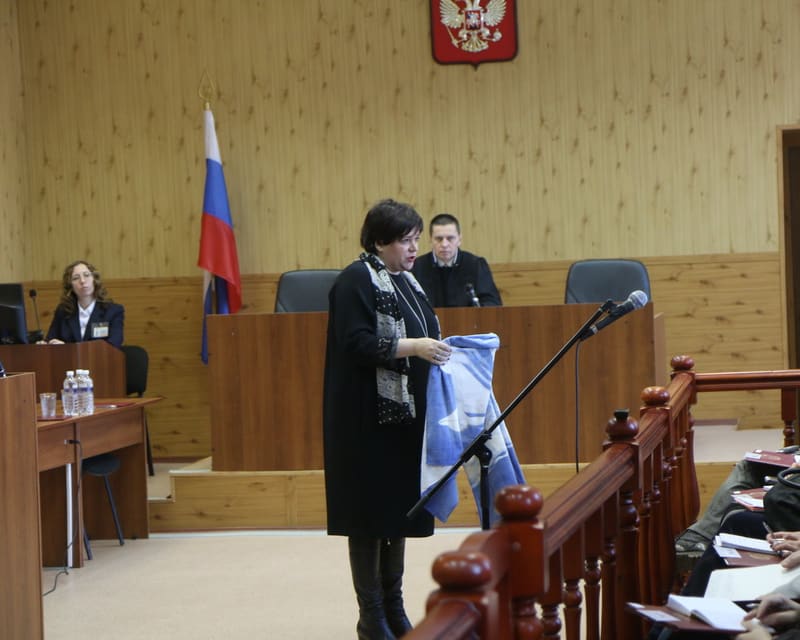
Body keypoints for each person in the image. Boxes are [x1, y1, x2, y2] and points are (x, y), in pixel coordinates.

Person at [323, 198, 452, 639]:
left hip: (403, 420)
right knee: (369, 518)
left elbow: (423, 332)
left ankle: (393, 608)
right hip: (365, 421)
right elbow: (356, 343)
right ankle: (371, 616)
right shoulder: (355, 280)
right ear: (380, 241)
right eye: (405, 240)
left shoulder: (407, 282)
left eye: (416, 239)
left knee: (397, 514)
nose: (415, 249)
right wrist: (415, 347)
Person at [411, 212, 502, 308]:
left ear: (459, 239)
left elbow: (492, 303)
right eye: (439, 239)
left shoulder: (475, 264)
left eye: (450, 238)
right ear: (430, 240)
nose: (444, 244)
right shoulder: (416, 267)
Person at [42, 260, 124, 348]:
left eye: (86, 275)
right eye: (76, 278)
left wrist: (67, 348)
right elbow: (50, 341)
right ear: (70, 286)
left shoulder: (113, 311)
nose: (82, 281)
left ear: (94, 279)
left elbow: (113, 345)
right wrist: (44, 345)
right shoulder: (63, 311)